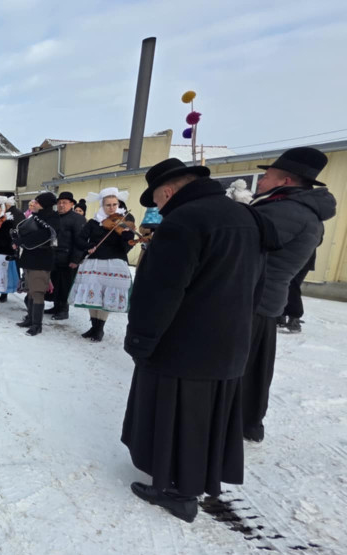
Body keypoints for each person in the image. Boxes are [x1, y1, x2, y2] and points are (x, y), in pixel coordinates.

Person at [121, 158, 270, 523]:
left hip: (182, 343)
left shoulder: (183, 221)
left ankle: (177, 492)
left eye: (157, 200)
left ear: (168, 191)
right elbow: (258, 282)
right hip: (229, 340)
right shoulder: (246, 217)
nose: (158, 208)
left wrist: (140, 341)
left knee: (175, 417)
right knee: (204, 420)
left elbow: (160, 291)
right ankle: (189, 485)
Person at [242, 147, 336, 442]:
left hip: (253, 297)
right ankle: (247, 423)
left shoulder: (286, 211)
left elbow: (242, 246)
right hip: (263, 298)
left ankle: (237, 423)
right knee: (253, 368)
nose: (260, 181)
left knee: (241, 367)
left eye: (266, 176)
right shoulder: (292, 207)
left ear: (285, 181)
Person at [70, 188, 135, 341]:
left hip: (115, 262)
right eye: (108, 205)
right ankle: (93, 327)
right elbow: (79, 240)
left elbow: (126, 247)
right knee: (93, 295)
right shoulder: (94, 222)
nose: (112, 208)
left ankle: (99, 329)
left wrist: (127, 236)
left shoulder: (124, 222)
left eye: (114, 204)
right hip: (94, 262)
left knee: (106, 296)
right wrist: (88, 247)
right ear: (102, 205)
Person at [12, 192, 58, 336]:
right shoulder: (36, 216)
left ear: (44, 204)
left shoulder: (53, 218)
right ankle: (30, 319)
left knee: (37, 292)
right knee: (31, 291)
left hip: (42, 259)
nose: (34, 204)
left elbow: (43, 235)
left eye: (37, 202)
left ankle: (37, 325)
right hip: (29, 257)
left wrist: (22, 240)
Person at [46, 191, 86, 320]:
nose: (61, 205)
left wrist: (76, 259)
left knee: (65, 285)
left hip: (68, 258)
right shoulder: (54, 216)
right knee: (55, 283)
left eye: (64, 202)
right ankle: (56, 306)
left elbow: (80, 241)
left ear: (71, 204)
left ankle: (64, 309)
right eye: (59, 202)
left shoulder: (77, 219)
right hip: (53, 256)